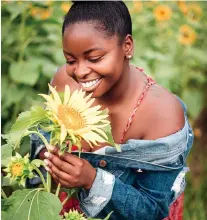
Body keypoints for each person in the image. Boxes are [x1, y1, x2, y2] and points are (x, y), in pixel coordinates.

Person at [30, 1, 194, 219]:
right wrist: (48, 157)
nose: (79, 72)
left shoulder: (161, 113)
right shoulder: (65, 83)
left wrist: (91, 180)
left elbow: (152, 210)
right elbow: (43, 139)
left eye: (94, 58)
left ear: (127, 46)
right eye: (70, 59)